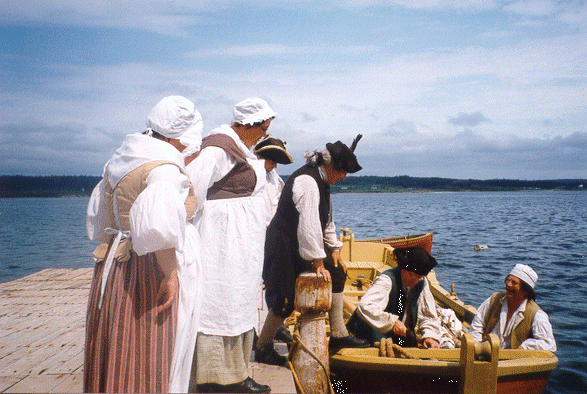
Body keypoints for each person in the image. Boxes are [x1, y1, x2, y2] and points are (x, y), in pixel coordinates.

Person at [84, 95, 203, 393]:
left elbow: (102, 221)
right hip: (148, 266)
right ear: (179, 136)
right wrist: (170, 274)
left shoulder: (120, 159)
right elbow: (159, 228)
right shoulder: (163, 168)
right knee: (151, 344)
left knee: (118, 343)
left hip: (116, 263)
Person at [186, 97, 275, 393]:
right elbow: (192, 187)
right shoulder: (218, 147)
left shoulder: (241, 147)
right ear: (247, 124)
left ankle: (236, 374)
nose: (265, 133)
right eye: (263, 127)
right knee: (220, 303)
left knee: (239, 303)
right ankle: (215, 380)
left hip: (241, 243)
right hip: (222, 243)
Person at [256, 135, 369, 367]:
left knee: (336, 271)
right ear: (330, 166)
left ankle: (338, 335)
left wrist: (334, 251)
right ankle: (263, 347)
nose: (345, 177)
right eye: (343, 172)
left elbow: (326, 220)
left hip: (300, 243)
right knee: (284, 300)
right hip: (283, 245)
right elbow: (309, 226)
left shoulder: (324, 182)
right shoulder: (308, 182)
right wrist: (318, 261)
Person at [346, 246, 442, 348]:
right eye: (411, 275)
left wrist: (429, 336)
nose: (414, 280)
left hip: (395, 339)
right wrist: (392, 322)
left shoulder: (421, 282)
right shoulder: (386, 280)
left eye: (419, 277)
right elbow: (365, 306)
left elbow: (428, 315)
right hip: (366, 336)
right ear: (403, 269)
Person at [468, 264, 556, 351]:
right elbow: (478, 322)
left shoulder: (536, 314)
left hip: (511, 362)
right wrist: (476, 346)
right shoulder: (495, 299)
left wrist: (525, 347)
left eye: (514, 283)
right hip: (484, 354)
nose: (508, 284)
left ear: (525, 290)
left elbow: (549, 344)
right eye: (508, 280)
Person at [253, 136, 294, 226]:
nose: (275, 166)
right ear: (260, 157)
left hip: (273, 230)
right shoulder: (249, 174)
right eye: (272, 162)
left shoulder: (274, 176)